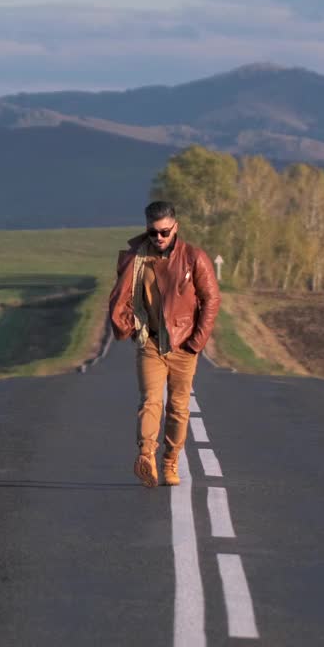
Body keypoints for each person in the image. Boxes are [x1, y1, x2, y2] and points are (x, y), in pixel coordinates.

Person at [107, 200, 221, 488]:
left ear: (176, 228)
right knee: (150, 401)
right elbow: (122, 294)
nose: (159, 237)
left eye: (164, 232)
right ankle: (146, 456)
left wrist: (197, 342)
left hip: (184, 345)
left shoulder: (194, 257)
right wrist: (130, 326)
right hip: (151, 342)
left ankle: (170, 462)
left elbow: (211, 300)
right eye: (153, 232)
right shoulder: (136, 258)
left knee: (179, 407)